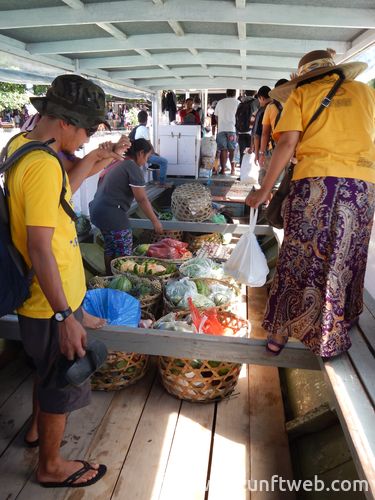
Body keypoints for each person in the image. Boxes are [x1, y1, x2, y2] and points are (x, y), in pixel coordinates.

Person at [5, 74, 111, 488]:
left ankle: (35, 431)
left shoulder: (23, 146)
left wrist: (97, 159)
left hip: (47, 300)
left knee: (45, 370)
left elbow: (59, 194)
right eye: (86, 129)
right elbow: (39, 247)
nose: (86, 139)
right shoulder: (42, 164)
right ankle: (50, 467)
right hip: (52, 302)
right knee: (61, 381)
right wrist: (66, 314)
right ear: (66, 122)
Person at [246, 49, 375, 358]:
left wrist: (265, 191)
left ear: (303, 76)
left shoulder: (301, 95)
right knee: (348, 254)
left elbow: (288, 143)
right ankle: (342, 323)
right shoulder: (364, 92)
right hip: (361, 187)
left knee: (298, 254)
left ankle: (277, 335)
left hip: (315, 184)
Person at [89, 138, 163, 274]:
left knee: (110, 247)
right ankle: (124, 281)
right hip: (112, 214)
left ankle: (109, 277)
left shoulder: (117, 162)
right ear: (140, 153)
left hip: (97, 211)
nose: (146, 161)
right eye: (147, 157)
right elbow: (141, 199)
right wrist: (155, 221)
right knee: (125, 253)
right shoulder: (132, 167)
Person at [259, 79, 289, 181]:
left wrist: (262, 153)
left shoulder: (270, 107)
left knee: (271, 181)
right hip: (293, 148)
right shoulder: (296, 104)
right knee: (288, 181)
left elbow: (265, 133)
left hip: (276, 147)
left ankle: (270, 196)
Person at [131, 110, 169, 186]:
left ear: (138, 119)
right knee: (164, 161)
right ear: (146, 119)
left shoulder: (137, 129)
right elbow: (149, 144)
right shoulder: (144, 129)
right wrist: (154, 152)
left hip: (139, 153)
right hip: (144, 155)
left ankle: (155, 180)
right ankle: (162, 183)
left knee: (156, 158)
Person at [214, 89, 239, 176]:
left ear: (226, 93)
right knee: (232, 149)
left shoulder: (220, 102)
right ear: (235, 94)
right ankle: (232, 170)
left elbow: (216, 116)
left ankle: (223, 170)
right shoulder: (238, 102)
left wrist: (220, 123)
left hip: (221, 129)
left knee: (223, 149)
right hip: (232, 129)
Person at [251, 86, 272, 184]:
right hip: (279, 148)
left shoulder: (262, 111)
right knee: (275, 181)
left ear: (261, 98)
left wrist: (258, 153)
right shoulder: (279, 107)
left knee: (265, 180)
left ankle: (267, 199)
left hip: (266, 150)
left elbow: (259, 135)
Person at [235, 90, 259, 166]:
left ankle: (242, 174)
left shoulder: (241, 103)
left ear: (245, 93)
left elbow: (236, 117)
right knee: (252, 153)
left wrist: (237, 131)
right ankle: (251, 173)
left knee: (243, 153)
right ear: (255, 93)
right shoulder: (256, 102)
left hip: (241, 131)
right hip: (251, 132)